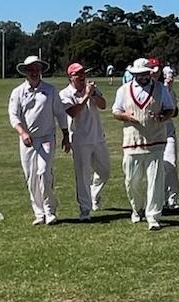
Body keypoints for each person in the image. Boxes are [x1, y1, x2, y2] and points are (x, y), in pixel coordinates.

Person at [112, 58, 175, 230]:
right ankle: (136, 208)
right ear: (133, 74)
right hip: (132, 142)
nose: (143, 77)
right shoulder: (123, 90)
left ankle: (153, 215)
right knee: (132, 181)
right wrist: (126, 117)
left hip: (155, 141)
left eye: (146, 73)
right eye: (139, 74)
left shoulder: (160, 89)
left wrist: (162, 117)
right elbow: (116, 111)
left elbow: (171, 109)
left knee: (155, 181)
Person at [8, 56, 71, 225]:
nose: (34, 72)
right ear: (26, 72)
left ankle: (50, 210)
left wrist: (66, 135)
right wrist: (23, 133)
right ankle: (39, 213)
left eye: (37, 69)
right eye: (31, 69)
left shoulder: (50, 90)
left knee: (44, 172)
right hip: (27, 140)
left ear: (41, 70)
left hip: (47, 137)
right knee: (31, 177)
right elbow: (13, 117)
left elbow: (60, 113)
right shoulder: (18, 92)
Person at [60, 62, 110, 221]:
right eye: (78, 74)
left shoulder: (91, 88)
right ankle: (85, 210)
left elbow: (103, 105)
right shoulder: (65, 94)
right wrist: (86, 96)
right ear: (70, 77)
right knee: (82, 176)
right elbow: (73, 112)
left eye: (83, 73)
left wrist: (94, 94)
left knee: (105, 171)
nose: (82, 77)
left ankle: (94, 193)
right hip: (80, 140)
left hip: (97, 137)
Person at [149, 57, 179, 210]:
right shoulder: (143, 89)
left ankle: (172, 199)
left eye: (157, 70)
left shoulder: (165, 88)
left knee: (171, 164)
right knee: (157, 167)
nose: (154, 74)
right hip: (152, 134)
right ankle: (159, 199)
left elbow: (175, 112)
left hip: (168, 132)